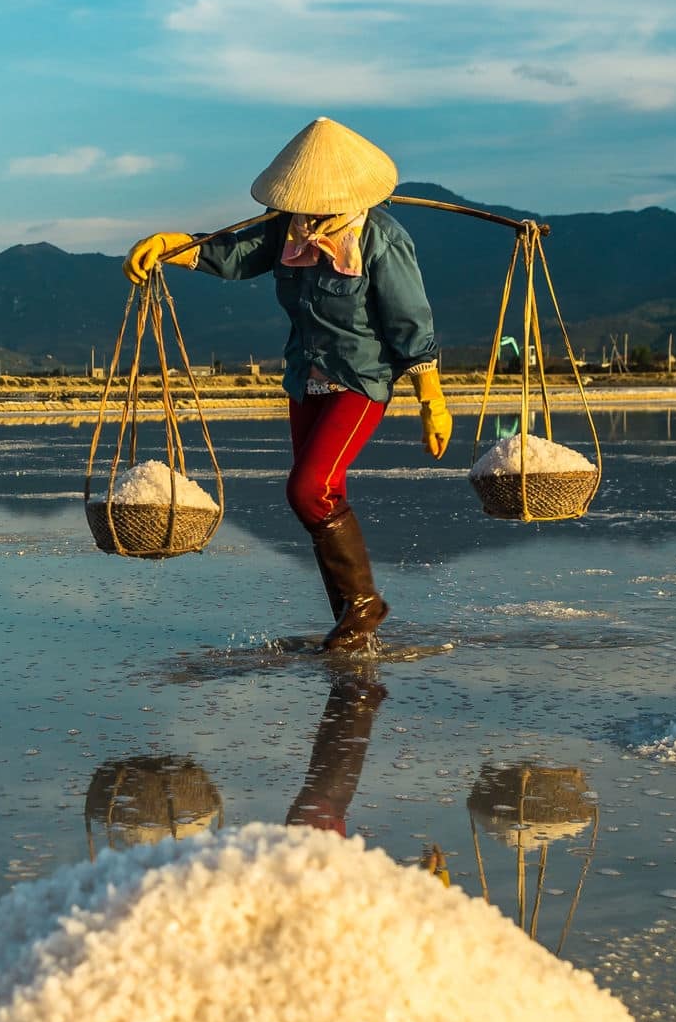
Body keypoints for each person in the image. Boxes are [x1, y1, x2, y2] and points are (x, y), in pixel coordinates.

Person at [123, 117, 451, 652]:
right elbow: (230, 254)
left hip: (359, 381)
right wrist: (170, 244)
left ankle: (365, 605)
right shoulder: (287, 229)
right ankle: (350, 619)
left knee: (308, 489)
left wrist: (431, 400)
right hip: (306, 380)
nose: (311, 209)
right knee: (326, 493)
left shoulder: (382, 238)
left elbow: (411, 322)